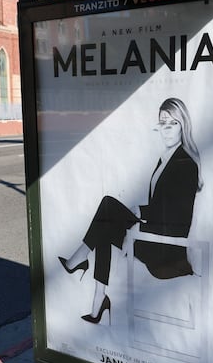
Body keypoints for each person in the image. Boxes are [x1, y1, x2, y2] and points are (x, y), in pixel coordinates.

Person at [58, 98, 204, 324]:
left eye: (172, 123)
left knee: (107, 208)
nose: (166, 129)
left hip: (166, 250)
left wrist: (139, 223)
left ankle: (78, 261)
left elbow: (179, 218)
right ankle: (98, 300)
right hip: (155, 235)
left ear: (183, 125)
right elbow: (163, 205)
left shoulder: (185, 164)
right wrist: (139, 211)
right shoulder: (166, 159)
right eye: (162, 122)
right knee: (105, 225)